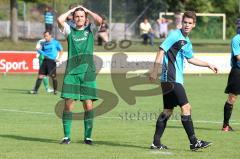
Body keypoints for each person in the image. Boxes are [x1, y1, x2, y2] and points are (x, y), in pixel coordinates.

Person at [149, 11, 218, 151]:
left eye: (189, 23)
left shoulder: (187, 42)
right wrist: (154, 70)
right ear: (182, 23)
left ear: (194, 25)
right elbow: (161, 50)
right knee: (186, 107)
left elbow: (191, 59)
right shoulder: (175, 35)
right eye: (185, 22)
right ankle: (194, 142)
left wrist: (208, 64)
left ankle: (156, 142)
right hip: (171, 78)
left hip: (172, 79)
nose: (186, 25)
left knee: (167, 111)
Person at [57, 6, 102, 145]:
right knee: (68, 106)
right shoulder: (69, 30)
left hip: (88, 74)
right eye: (77, 16)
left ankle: (88, 137)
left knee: (88, 106)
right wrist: (71, 11)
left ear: (86, 18)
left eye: (82, 16)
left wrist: (87, 10)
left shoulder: (91, 30)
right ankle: (66, 137)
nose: (79, 18)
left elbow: (99, 21)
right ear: (73, 18)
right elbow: (59, 19)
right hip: (72, 73)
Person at [222, 18, 240, 132]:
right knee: (232, 98)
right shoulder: (236, 39)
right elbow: (238, 57)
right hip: (237, 72)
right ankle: (225, 125)